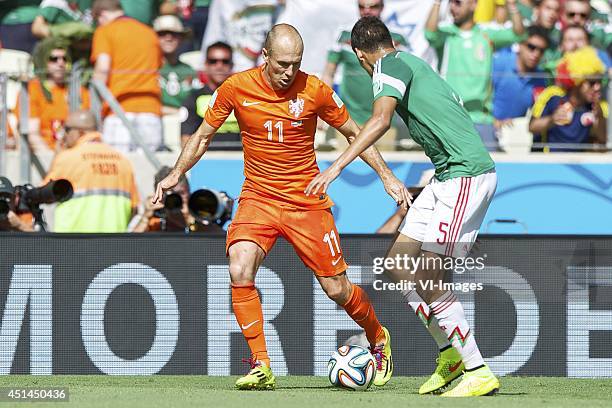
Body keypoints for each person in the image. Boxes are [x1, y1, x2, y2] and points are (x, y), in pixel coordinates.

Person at [154, 23, 409, 390]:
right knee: (239, 267)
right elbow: (203, 136)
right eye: (283, 64)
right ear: (265, 56)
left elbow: (355, 133)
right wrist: (176, 173)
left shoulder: (315, 89)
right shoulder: (236, 88)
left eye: (296, 63)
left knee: (337, 289)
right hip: (258, 197)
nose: (290, 71)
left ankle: (377, 335)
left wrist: (386, 175)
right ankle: (261, 365)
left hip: (306, 201)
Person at [307, 17, 499, 397]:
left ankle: (478, 369)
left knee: (428, 273)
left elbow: (380, 119)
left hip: (466, 175)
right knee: (398, 265)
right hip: (445, 175)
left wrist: (335, 167)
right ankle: (450, 355)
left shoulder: (387, 67)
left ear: (359, 55)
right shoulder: (408, 62)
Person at [425, 0, 525, 151]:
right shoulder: (446, 33)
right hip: (450, 118)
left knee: (486, 172)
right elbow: (429, 33)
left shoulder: (486, 34)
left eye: (458, 2)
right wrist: (437, 3)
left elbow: (519, 35)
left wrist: (511, 5)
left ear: (473, 4)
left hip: (482, 118)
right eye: (451, 3)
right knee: (451, 172)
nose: (453, 7)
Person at [321, 0, 407, 150]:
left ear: (382, 7)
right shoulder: (343, 34)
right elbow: (328, 74)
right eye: (362, 6)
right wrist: (321, 112)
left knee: (385, 170)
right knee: (344, 169)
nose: (366, 11)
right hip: (348, 121)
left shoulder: (397, 37)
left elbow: (405, 75)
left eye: (373, 7)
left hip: (385, 120)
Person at [44, 110, 140, 232]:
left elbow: (43, 195)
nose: (63, 136)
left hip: (72, 245)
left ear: (80, 132)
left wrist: (56, 157)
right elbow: (134, 208)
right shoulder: (123, 160)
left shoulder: (67, 158)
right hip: (114, 245)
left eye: (67, 130)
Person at [91, 0, 163, 153]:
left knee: (117, 169)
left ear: (102, 15)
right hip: (150, 111)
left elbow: (102, 69)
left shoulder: (105, 31)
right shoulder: (149, 33)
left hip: (117, 111)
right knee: (150, 172)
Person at [14, 37, 90, 151]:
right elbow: (31, 134)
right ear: (43, 61)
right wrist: (50, 158)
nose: (61, 63)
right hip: (42, 155)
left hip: (73, 155)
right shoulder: (32, 89)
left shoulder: (79, 91)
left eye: (65, 59)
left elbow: (87, 132)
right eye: (54, 59)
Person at [529, 46, 607, 152]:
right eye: (592, 83)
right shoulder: (552, 95)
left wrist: (600, 117)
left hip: (581, 162)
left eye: (599, 82)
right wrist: (552, 119)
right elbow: (532, 127)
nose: (597, 87)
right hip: (549, 160)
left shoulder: (597, 106)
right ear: (577, 81)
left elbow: (603, 139)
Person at [180, 41, 240, 149]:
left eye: (225, 61)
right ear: (206, 65)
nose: (219, 66)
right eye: (213, 61)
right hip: (206, 160)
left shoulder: (244, 97)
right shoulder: (193, 97)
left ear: (232, 65)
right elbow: (185, 140)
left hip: (241, 160)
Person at [492, 26, 549, 124]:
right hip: (487, 129)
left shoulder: (541, 79)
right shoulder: (499, 63)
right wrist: (494, 121)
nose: (536, 54)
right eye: (531, 47)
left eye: (541, 50)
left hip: (515, 134)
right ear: (520, 44)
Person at [154, 14, 197, 115]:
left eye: (174, 34)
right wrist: (176, 112)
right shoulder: (148, 68)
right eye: (162, 33)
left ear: (181, 38)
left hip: (184, 127)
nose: (169, 37)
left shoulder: (189, 71)